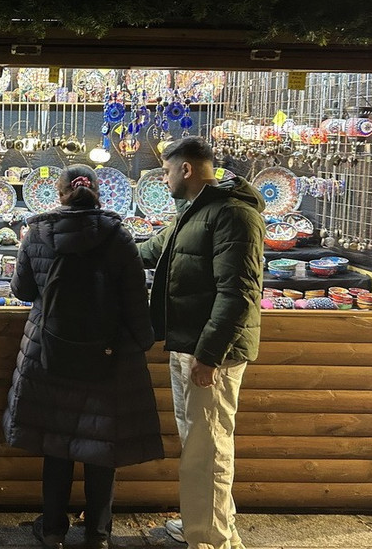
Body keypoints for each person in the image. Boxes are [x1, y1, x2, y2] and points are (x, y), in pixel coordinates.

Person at [3, 164, 163, 549]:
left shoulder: (37, 232)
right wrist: (144, 341)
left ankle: (54, 529)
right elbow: (134, 300)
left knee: (56, 443)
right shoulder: (119, 236)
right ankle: (98, 534)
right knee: (100, 446)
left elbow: (23, 290)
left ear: (58, 195)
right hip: (109, 356)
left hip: (50, 352)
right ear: (98, 191)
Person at [137, 137, 265, 549]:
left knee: (208, 447)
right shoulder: (194, 212)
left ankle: (210, 541)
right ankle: (205, 525)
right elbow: (149, 251)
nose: (164, 178)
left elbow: (237, 294)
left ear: (186, 169)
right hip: (189, 345)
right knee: (199, 442)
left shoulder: (232, 215)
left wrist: (208, 356)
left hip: (211, 354)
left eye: (167, 170)